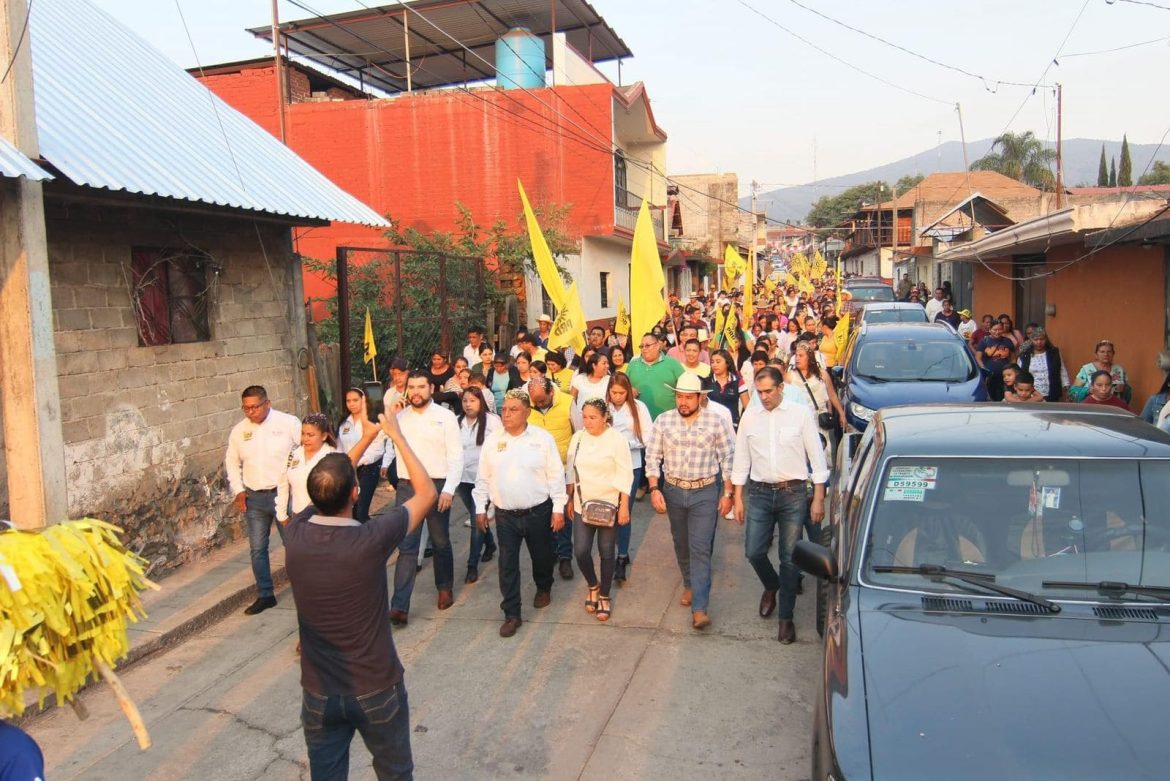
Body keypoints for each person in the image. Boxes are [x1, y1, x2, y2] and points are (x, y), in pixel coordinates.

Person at [284, 410, 437, 781]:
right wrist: (395, 435)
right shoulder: (369, 539)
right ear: (355, 493)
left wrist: (366, 438)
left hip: (319, 690)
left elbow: (329, 482)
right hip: (374, 685)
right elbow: (427, 493)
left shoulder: (295, 534)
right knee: (395, 773)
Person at [731, 366, 829, 645]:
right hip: (759, 493)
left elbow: (817, 457)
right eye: (759, 392)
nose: (763, 397)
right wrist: (737, 497)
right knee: (753, 551)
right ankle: (771, 585)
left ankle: (786, 617)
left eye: (768, 391)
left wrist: (818, 497)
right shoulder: (750, 417)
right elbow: (741, 458)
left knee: (789, 558)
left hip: (793, 494)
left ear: (781, 388)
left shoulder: (800, 414)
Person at [644, 373, 736, 630]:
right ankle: (689, 583)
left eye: (688, 397)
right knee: (681, 542)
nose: (683, 402)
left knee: (700, 547)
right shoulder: (663, 421)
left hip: (704, 491)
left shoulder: (716, 422)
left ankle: (700, 608)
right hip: (673, 490)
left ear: (700, 398)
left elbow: (728, 458)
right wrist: (654, 489)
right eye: (679, 397)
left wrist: (728, 493)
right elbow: (652, 457)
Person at [473, 388, 568, 637]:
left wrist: (558, 508)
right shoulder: (493, 441)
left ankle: (544, 587)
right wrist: (480, 508)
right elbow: (483, 476)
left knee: (542, 557)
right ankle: (512, 613)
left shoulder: (542, 439)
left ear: (527, 412)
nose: (506, 414)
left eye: (513, 409)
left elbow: (556, 474)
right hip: (505, 515)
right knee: (507, 564)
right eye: (504, 409)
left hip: (538, 512)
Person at [389, 371, 463, 627]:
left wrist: (449, 490)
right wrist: (391, 413)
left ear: (431, 388)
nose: (416, 392)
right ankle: (399, 606)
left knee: (440, 541)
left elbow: (456, 456)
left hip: (437, 485)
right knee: (407, 547)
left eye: (421, 386)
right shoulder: (399, 418)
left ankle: (444, 587)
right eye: (411, 387)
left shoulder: (446, 417)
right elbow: (382, 437)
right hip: (407, 487)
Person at [225, 385, 301, 615]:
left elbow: (304, 450)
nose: (251, 412)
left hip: (284, 495)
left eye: (255, 407)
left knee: (294, 545)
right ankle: (265, 594)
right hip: (255, 498)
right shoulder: (239, 431)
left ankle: (305, 589)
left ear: (267, 403)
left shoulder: (287, 423)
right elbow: (231, 462)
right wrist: (238, 490)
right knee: (258, 548)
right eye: (246, 408)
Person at [566, 398, 634, 622]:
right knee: (581, 551)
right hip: (582, 503)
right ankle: (592, 585)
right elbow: (571, 471)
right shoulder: (578, 438)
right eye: (585, 417)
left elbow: (625, 473)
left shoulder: (617, 440)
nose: (588, 422)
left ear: (605, 417)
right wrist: (569, 498)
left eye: (593, 417)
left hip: (609, 505)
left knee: (606, 552)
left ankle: (604, 594)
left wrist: (624, 506)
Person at [607, 373, 654, 583]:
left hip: (631, 465)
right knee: (608, 511)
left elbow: (648, 436)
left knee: (624, 511)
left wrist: (628, 445)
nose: (617, 397)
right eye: (614, 392)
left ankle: (622, 555)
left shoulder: (638, 407)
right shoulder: (604, 407)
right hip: (607, 466)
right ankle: (611, 552)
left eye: (621, 393)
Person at [527, 376, 576, 578]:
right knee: (544, 513)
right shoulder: (527, 405)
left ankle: (565, 557)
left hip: (563, 468)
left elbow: (579, 433)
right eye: (535, 401)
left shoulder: (567, 402)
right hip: (537, 472)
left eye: (542, 400)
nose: (538, 404)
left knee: (563, 513)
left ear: (551, 392)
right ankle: (552, 551)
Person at [456, 387, 499, 584]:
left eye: (472, 400)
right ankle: (489, 543)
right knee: (477, 517)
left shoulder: (491, 422)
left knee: (476, 520)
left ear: (481, 401)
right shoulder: (456, 421)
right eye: (465, 400)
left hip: (483, 480)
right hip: (463, 478)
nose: (468, 404)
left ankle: (472, 565)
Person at [339, 388, 389, 522]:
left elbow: (378, 448)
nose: (351, 404)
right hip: (348, 469)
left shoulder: (372, 420)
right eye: (348, 401)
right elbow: (340, 446)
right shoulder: (344, 423)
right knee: (350, 510)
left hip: (367, 469)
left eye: (355, 400)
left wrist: (359, 460)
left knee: (361, 510)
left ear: (364, 400)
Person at [627, 332, 686, 420]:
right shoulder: (633, 365)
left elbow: (686, 388)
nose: (644, 349)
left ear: (658, 346)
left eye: (647, 345)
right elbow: (622, 386)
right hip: (639, 420)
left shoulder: (673, 363)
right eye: (641, 346)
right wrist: (629, 389)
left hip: (669, 420)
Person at [1069, 339, 1130, 404]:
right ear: (1096, 354)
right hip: (1090, 406)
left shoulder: (1119, 369)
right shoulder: (1087, 369)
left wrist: (1124, 389)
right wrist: (1088, 390)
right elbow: (1073, 392)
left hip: (1113, 407)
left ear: (1113, 354)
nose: (1106, 354)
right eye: (1102, 352)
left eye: (1109, 352)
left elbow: (1127, 392)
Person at [1016, 328, 1068, 403]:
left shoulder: (1054, 353)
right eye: (1036, 339)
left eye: (1042, 339)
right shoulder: (1025, 355)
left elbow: (1062, 370)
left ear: (1046, 339)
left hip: (1052, 394)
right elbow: (1020, 375)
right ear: (1031, 340)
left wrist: (1066, 386)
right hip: (1031, 395)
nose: (1039, 342)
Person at [975, 321, 1017, 402]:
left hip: (1005, 377)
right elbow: (978, 358)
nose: (997, 332)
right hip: (989, 377)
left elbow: (1012, 359)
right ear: (990, 330)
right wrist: (984, 370)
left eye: (1000, 329)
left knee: (1004, 397)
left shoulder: (1007, 341)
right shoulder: (984, 341)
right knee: (990, 398)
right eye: (995, 330)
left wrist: (1013, 371)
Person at [708, 348, 748, 427]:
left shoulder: (738, 381)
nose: (714, 365)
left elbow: (747, 407)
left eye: (718, 362)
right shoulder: (706, 382)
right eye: (712, 362)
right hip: (711, 425)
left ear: (727, 363)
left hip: (732, 425)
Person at [570, 352, 612, 428]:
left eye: (608, 363)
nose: (607, 366)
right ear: (594, 365)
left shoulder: (610, 380)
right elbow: (571, 401)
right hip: (581, 422)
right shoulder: (579, 379)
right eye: (604, 363)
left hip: (602, 422)